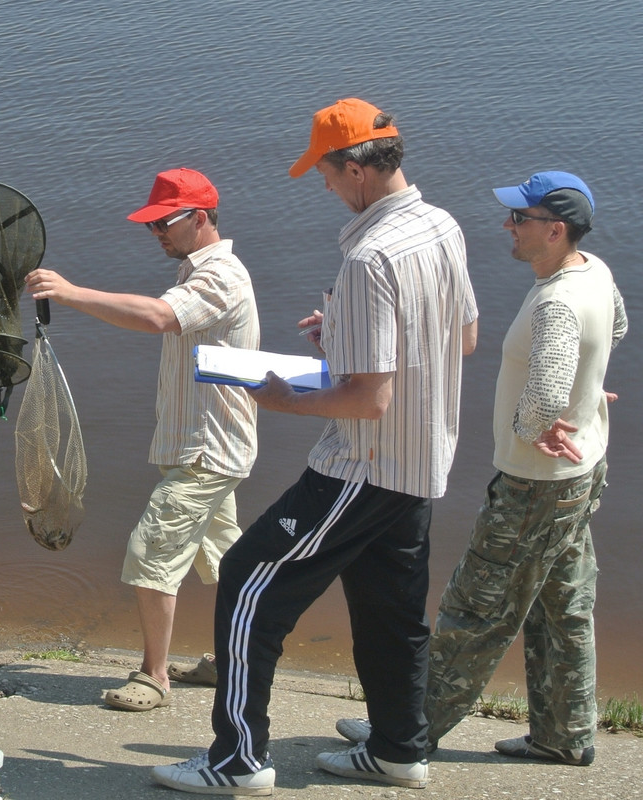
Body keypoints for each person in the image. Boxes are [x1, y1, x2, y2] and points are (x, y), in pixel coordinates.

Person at [151, 98, 478, 795]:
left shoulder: (370, 256)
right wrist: (345, 338)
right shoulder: (441, 225)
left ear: (356, 168)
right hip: (424, 460)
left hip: (363, 464)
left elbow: (367, 400)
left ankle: (236, 761)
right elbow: (464, 339)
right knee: (391, 611)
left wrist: (283, 400)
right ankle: (398, 751)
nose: (323, 186)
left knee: (246, 580)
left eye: (325, 173)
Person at [336, 171, 627, 767]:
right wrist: (588, 389)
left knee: (474, 611)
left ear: (555, 230)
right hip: (580, 475)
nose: (507, 226)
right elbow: (616, 326)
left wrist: (533, 422)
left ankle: (403, 737)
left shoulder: (556, 302)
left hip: (534, 484)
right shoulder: (594, 272)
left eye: (520, 218)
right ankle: (563, 735)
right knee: (562, 607)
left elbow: (545, 395)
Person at [25, 168, 260, 711]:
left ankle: (154, 678)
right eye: (150, 224)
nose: (155, 233)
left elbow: (158, 317)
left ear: (199, 217)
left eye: (163, 222)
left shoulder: (220, 275)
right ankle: (235, 660)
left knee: (151, 551)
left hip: (207, 450)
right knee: (227, 560)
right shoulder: (195, 270)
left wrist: (70, 292)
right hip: (204, 445)